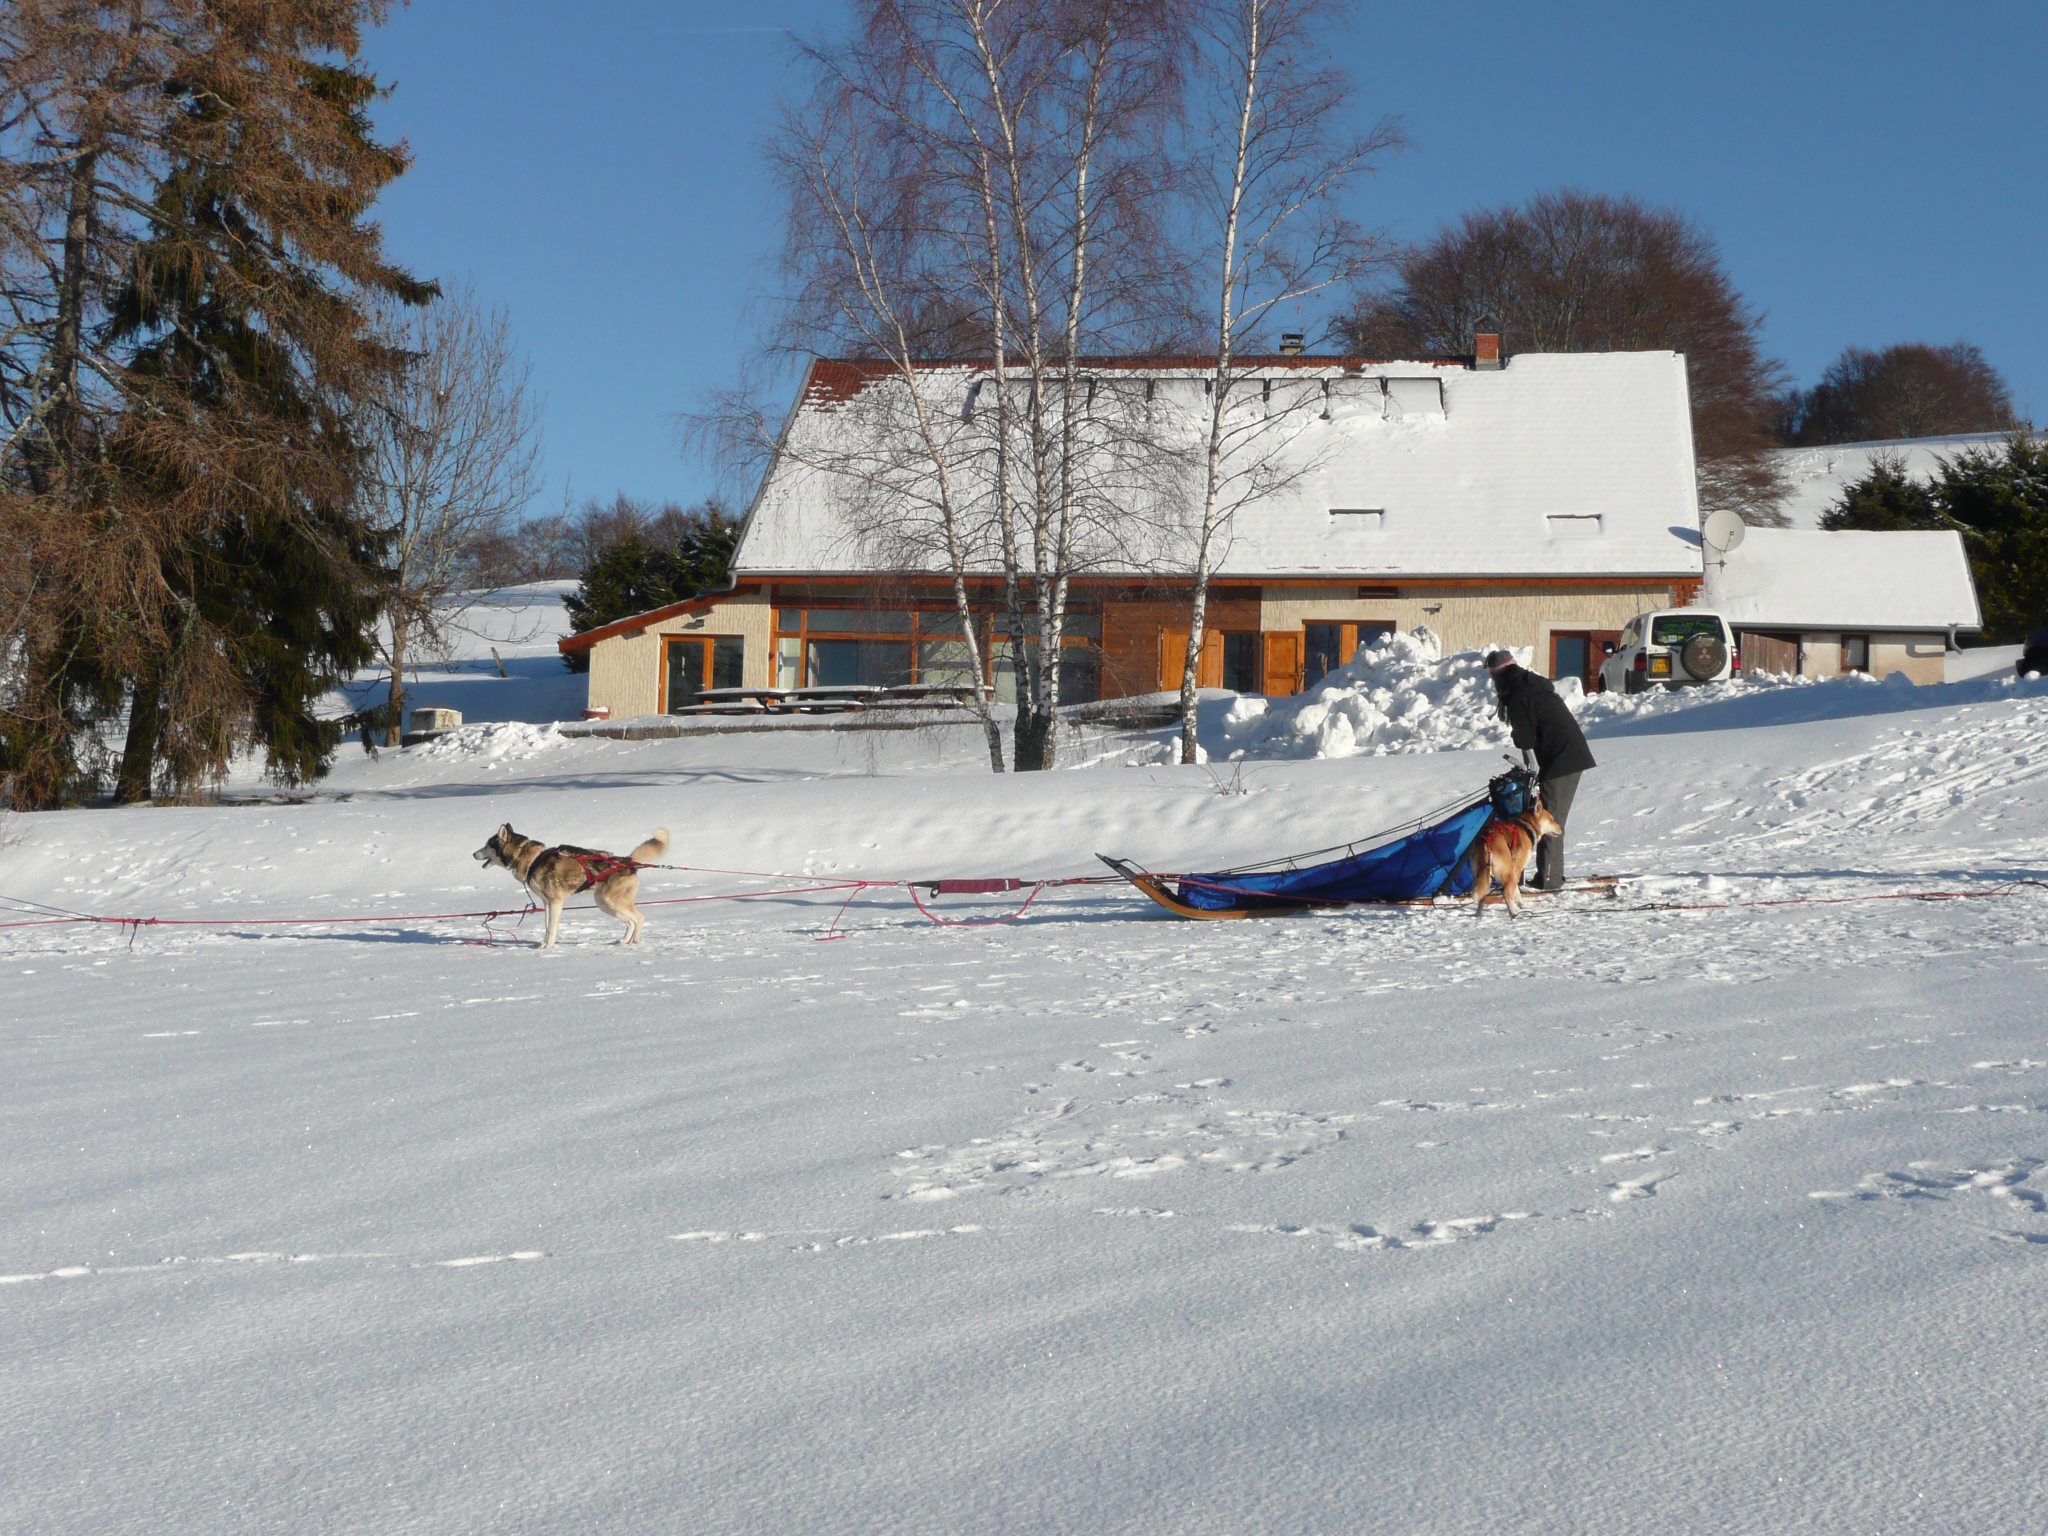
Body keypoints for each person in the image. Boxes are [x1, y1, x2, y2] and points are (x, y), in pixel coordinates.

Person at [1484, 649, 1595, 891]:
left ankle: (1550, 880)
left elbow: (1525, 738)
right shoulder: (1528, 683)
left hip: (1564, 758)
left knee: (1549, 818)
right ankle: (1549, 874)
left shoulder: (1518, 693)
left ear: (1497, 674)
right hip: (1563, 755)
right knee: (1547, 814)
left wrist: (1518, 737)